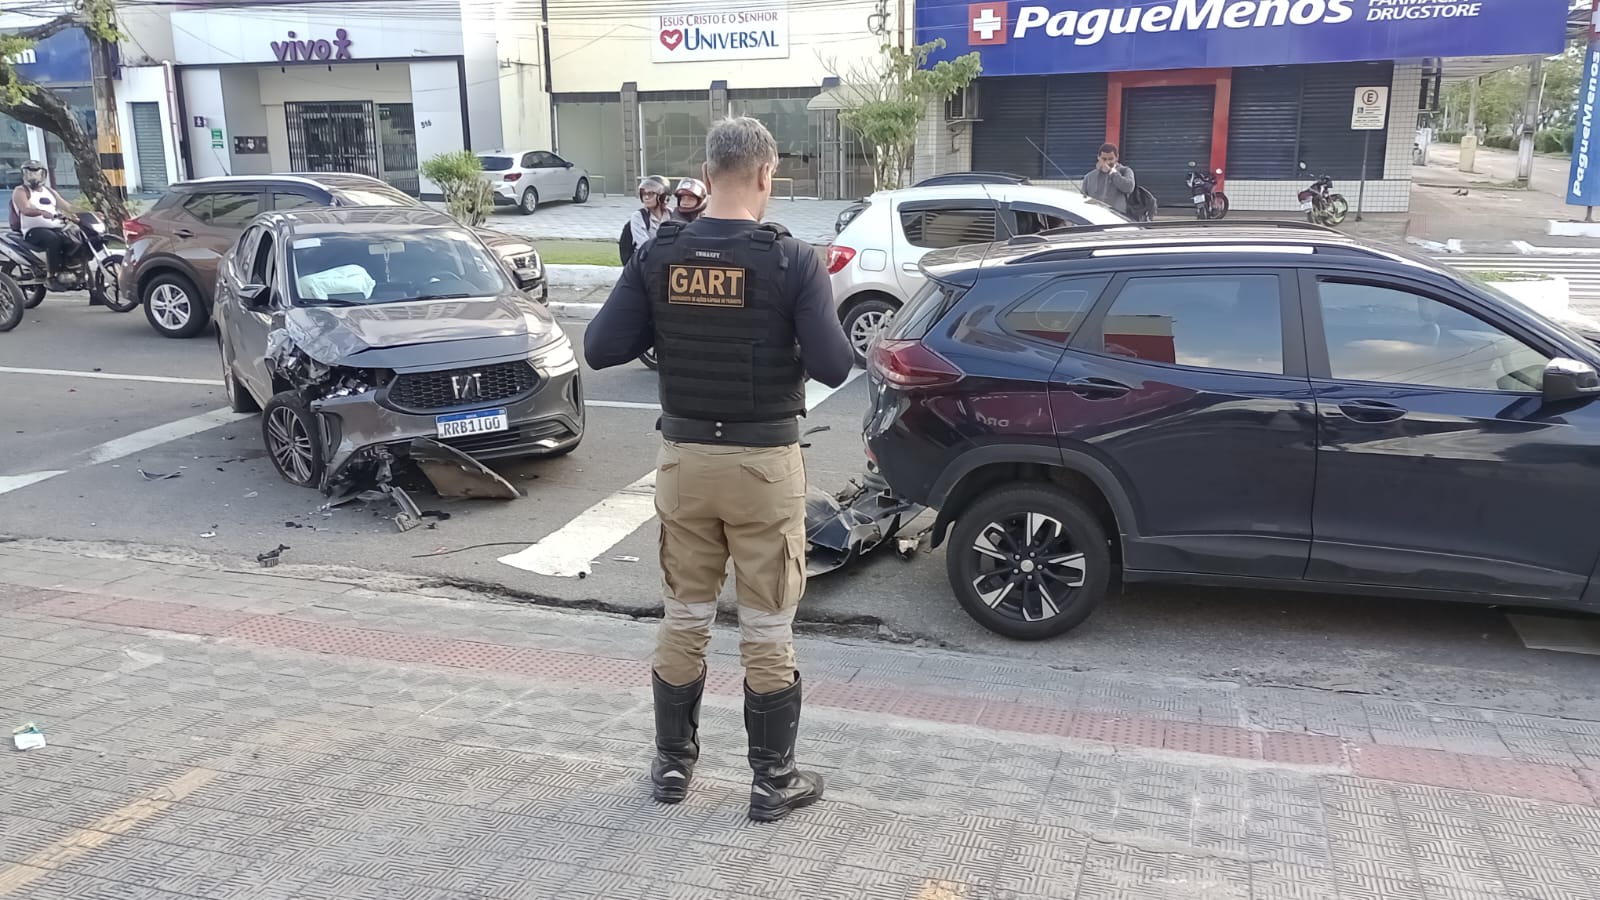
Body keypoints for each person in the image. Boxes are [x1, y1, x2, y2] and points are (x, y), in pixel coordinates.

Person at [585, 117, 853, 823]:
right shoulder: (791, 260)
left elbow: (603, 345)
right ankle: (773, 783)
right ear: (766, 176)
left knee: (685, 615)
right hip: (764, 467)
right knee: (767, 626)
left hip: (685, 463)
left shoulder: (660, 254)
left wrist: (666, 315)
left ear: (705, 178)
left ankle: (672, 769)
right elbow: (832, 365)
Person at [11, 160, 78, 281]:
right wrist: (41, 212)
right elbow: (25, 209)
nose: (33, 177)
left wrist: (89, 213)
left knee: (75, 237)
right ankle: (52, 275)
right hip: (32, 230)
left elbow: (68, 206)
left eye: (37, 173)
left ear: (43, 175)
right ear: (24, 175)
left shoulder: (50, 191)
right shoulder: (20, 191)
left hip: (56, 226)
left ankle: (71, 268)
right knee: (53, 239)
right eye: (29, 174)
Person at [618, 175, 670, 263]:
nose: (646, 197)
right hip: (644, 262)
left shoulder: (671, 215)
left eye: (651, 194)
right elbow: (645, 246)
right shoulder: (639, 216)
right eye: (644, 194)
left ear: (663, 197)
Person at [1082, 143, 1136, 215]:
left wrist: (1112, 173)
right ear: (1098, 157)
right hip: (1094, 217)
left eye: (1110, 159)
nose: (1107, 162)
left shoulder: (1125, 171)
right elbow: (1083, 199)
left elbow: (1129, 188)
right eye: (1104, 159)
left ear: (1117, 158)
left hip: (1116, 218)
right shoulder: (1089, 177)